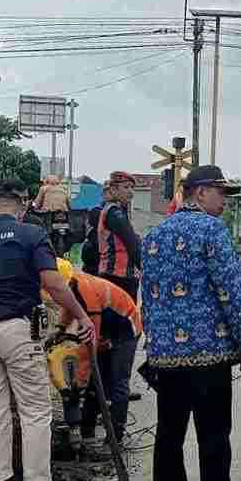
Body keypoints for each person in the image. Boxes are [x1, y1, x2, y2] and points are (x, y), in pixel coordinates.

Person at [142, 164, 241, 481]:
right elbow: (231, 293)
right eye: (220, 192)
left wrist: (156, 347)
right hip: (208, 357)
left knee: (168, 438)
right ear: (199, 193)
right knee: (213, 440)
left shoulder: (154, 236)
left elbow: (149, 299)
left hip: (166, 360)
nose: (224, 200)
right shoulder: (212, 231)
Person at [0, 179, 94, 481]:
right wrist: (82, 316)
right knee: (34, 409)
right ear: (19, 210)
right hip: (16, 329)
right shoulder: (30, 235)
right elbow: (54, 284)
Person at [44, 258, 141, 447]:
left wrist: (76, 384)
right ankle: (87, 430)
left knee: (116, 382)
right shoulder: (72, 285)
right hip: (107, 328)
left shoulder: (86, 291)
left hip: (126, 329)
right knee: (97, 383)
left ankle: (115, 438)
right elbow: (70, 306)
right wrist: (61, 329)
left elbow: (90, 345)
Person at [97, 170, 141, 301]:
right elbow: (131, 241)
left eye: (132, 188)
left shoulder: (117, 210)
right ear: (114, 190)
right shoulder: (114, 212)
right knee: (120, 319)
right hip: (117, 275)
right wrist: (145, 266)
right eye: (126, 187)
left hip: (119, 274)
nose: (130, 191)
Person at [81, 182, 111, 274]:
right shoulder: (96, 211)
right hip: (95, 257)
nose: (109, 194)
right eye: (107, 192)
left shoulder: (118, 212)